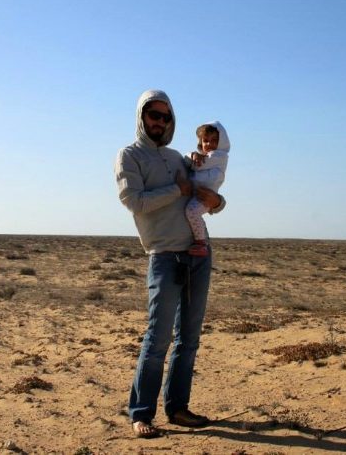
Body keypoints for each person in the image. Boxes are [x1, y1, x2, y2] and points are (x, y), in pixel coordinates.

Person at [114, 90, 226, 438]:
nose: (159, 122)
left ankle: (177, 408)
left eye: (165, 116)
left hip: (198, 253)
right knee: (158, 338)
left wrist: (218, 201)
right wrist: (176, 192)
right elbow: (134, 201)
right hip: (163, 255)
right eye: (153, 115)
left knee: (189, 339)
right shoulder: (129, 156)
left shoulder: (179, 157)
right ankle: (141, 414)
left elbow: (203, 194)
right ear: (142, 117)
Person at [184, 122, 230, 257]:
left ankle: (200, 242)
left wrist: (193, 159)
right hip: (197, 193)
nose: (209, 144)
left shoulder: (219, 156)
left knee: (191, 211)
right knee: (191, 212)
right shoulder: (203, 156)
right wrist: (192, 155)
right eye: (205, 141)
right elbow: (188, 159)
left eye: (214, 140)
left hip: (204, 196)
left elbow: (198, 166)